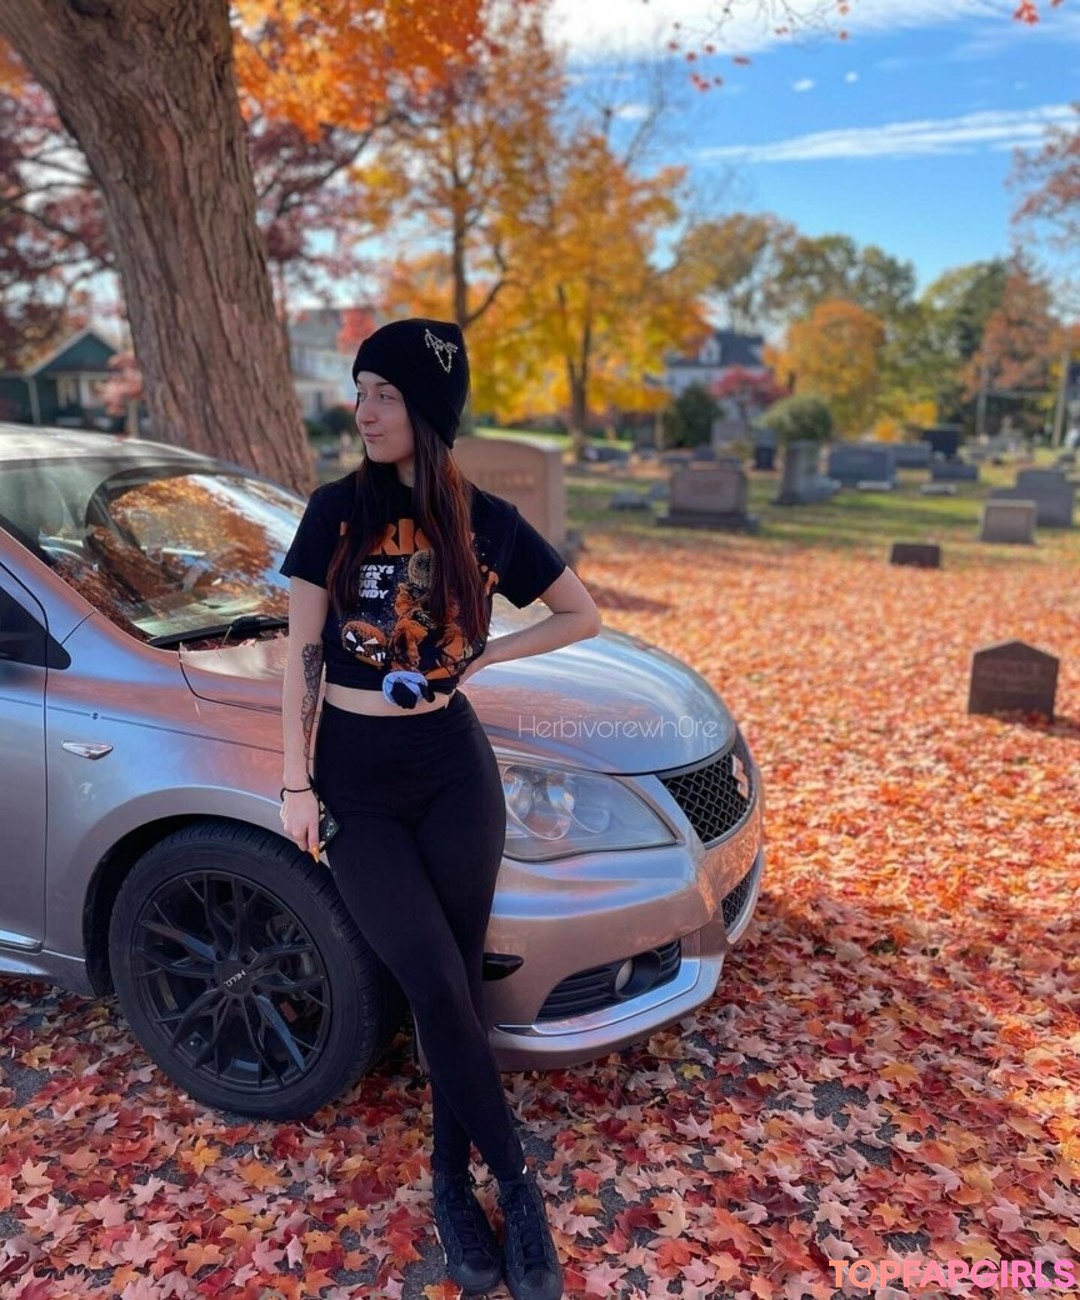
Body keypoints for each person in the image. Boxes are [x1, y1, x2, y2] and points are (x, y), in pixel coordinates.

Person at [278, 318, 601, 1300]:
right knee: (428, 975)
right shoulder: (335, 511)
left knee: (455, 984)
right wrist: (295, 780)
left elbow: (581, 612)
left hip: (455, 773)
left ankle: (452, 1182)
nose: (363, 411)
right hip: (357, 780)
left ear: (428, 410)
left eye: (384, 393)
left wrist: (487, 656)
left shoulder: (487, 521)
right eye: (360, 391)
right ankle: (517, 1183)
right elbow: (301, 655)